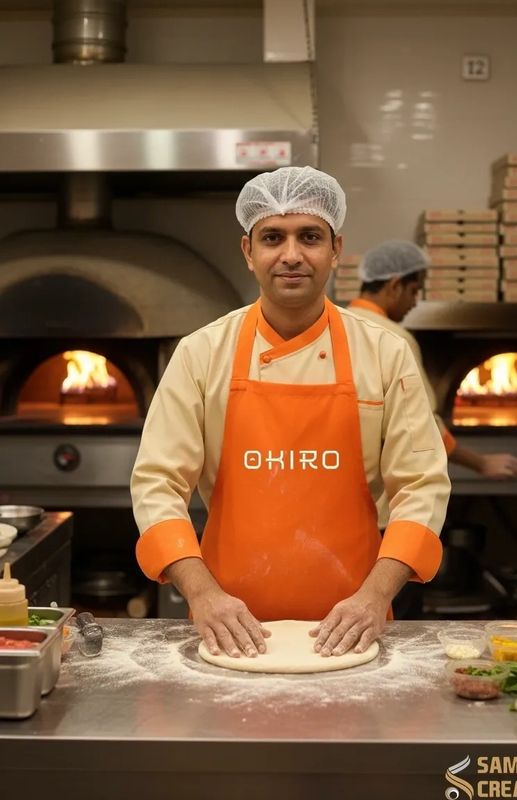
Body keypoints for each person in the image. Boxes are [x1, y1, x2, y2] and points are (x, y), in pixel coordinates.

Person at [131, 167, 450, 661]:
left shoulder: (385, 354)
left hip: (354, 625)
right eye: (273, 237)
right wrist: (201, 594)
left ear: (336, 249)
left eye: (310, 237)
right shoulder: (201, 353)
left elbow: (421, 486)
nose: (292, 255)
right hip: (227, 626)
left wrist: (376, 596)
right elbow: (157, 484)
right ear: (248, 251)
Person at [347, 240, 517, 481]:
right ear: (395, 286)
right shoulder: (393, 338)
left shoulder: (339, 325)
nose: (415, 302)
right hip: (381, 483)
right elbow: (423, 424)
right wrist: (481, 462)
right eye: (414, 291)